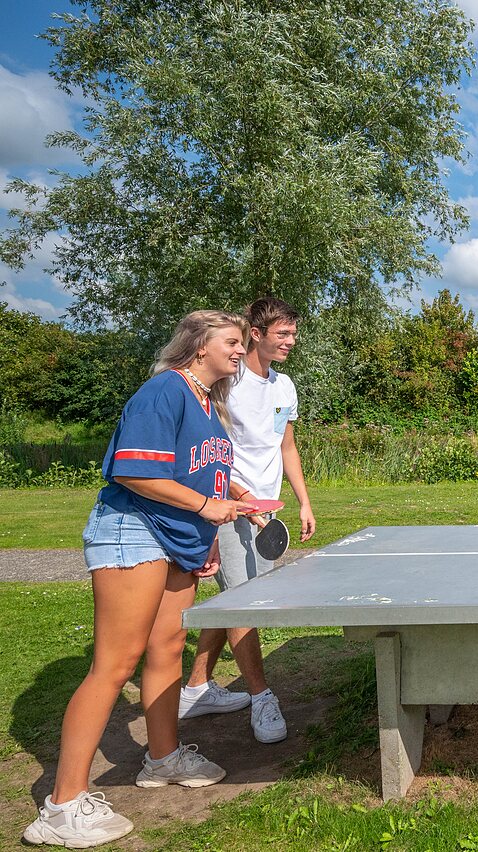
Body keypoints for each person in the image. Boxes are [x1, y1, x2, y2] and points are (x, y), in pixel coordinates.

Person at [24, 311, 257, 849]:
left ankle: (162, 758)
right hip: (132, 533)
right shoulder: (164, 391)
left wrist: (231, 502)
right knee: (116, 663)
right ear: (199, 346)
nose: (241, 351)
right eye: (233, 342)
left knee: (167, 649)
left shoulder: (208, 403)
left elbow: (193, 471)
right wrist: (206, 505)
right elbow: (133, 470)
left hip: (174, 539)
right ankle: (61, 807)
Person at [180, 297, 315, 744]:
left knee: (234, 598)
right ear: (256, 333)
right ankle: (261, 697)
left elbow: (286, 447)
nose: (291, 341)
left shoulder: (285, 386)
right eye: (283, 334)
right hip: (228, 505)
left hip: (267, 509)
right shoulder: (226, 383)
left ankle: (196, 686)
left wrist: (302, 501)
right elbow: (210, 449)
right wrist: (238, 497)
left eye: (293, 334)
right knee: (244, 600)